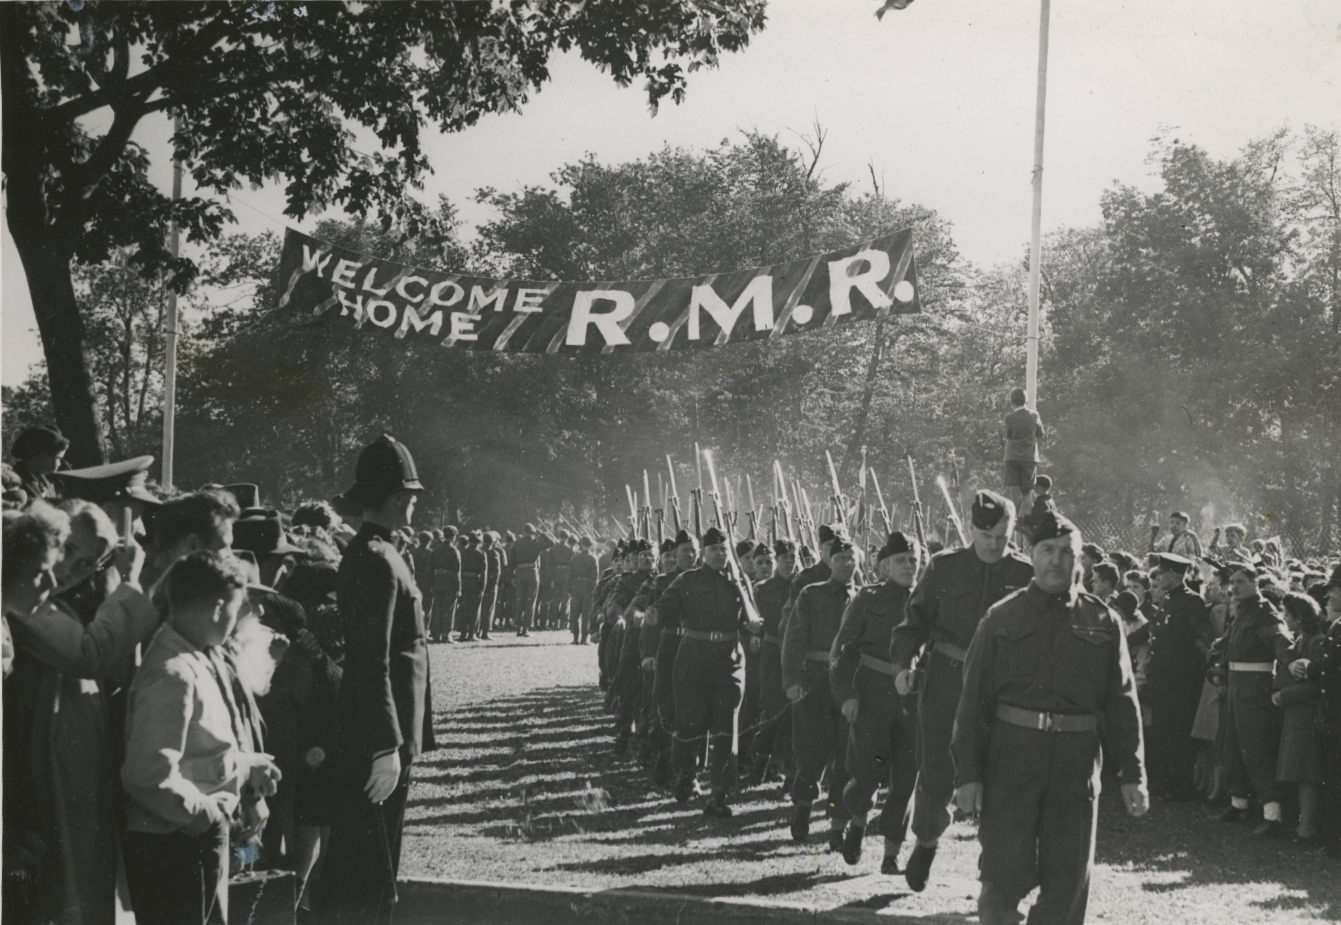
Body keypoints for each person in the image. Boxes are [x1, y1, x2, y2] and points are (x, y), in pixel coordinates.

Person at [952, 510, 1147, 925]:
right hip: (1012, 761)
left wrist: (1133, 774)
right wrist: (967, 773)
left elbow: (1122, 704)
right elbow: (973, 704)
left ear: (1081, 561)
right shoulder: (1001, 617)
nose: (1057, 560)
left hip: (1074, 766)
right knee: (1000, 880)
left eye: (1066, 552)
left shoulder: (1103, 621)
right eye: (1047, 550)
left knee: (1068, 882)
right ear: (1032, 554)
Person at [121, 552, 280, 925]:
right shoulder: (173, 673)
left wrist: (245, 765)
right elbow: (148, 774)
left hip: (188, 835)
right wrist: (206, 817)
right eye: (238, 606)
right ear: (218, 606)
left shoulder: (196, 657)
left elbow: (197, 750)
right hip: (177, 843)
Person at [891, 490, 1034, 892]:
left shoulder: (1025, 574)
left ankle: (996, 865)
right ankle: (927, 841)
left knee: (1000, 773)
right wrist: (903, 666)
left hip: (1000, 687)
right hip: (946, 680)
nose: (993, 544)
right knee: (937, 770)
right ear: (971, 528)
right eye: (986, 535)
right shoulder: (944, 567)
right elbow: (912, 624)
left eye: (1002, 537)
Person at [316, 434, 432, 924]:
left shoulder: (380, 552)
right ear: (387, 498)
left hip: (383, 734)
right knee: (369, 877)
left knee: (369, 872)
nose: (411, 503)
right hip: (376, 739)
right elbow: (371, 659)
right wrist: (386, 744)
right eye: (405, 495)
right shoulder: (376, 558)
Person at [651, 526, 762, 816]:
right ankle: (686, 775)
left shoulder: (739, 582)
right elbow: (664, 607)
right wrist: (651, 616)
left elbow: (748, 618)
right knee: (690, 722)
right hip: (694, 658)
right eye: (714, 550)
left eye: (725, 550)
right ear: (704, 553)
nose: (720, 555)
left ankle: (719, 794)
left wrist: (751, 630)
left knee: (727, 728)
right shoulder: (686, 580)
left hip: (729, 661)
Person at [832, 531, 921, 873]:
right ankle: (856, 823)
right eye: (901, 560)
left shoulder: (927, 602)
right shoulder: (868, 598)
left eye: (914, 560)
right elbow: (841, 651)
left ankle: (891, 854)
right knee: (866, 772)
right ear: (885, 565)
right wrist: (846, 696)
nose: (909, 566)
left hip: (911, 698)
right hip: (872, 695)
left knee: (905, 778)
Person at [783, 536, 860, 849]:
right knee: (812, 752)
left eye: (851, 558)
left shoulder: (864, 598)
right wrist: (791, 680)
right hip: (815, 680)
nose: (846, 564)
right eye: (840, 558)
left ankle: (836, 826)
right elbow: (793, 639)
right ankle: (802, 806)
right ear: (830, 561)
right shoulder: (811, 594)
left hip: (851, 686)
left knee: (846, 757)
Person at [1213, 561, 1294, 837]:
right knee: (1232, 746)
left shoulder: (1264, 612)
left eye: (1240, 582)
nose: (1234, 586)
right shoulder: (1242, 610)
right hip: (1236, 687)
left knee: (1257, 750)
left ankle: (1273, 815)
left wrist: (1294, 662)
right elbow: (1230, 644)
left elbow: (1280, 642)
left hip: (1255, 690)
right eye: (1232, 582)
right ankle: (1240, 803)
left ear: (1255, 583)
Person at [1144, 553, 1215, 802]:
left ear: (1173, 575)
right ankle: (1161, 781)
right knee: (1162, 729)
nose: (1157, 576)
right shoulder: (1168, 598)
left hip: (1181, 677)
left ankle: (1179, 784)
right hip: (1163, 674)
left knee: (1179, 731)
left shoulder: (1191, 601)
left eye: (1161, 573)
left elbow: (1202, 631)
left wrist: (1213, 651)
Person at [642, 530, 698, 788]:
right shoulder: (662, 582)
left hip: (695, 647)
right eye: (684, 550)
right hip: (670, 645)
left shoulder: (703, 580)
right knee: (664, 703)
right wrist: (647, 654)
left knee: (692, 707)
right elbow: (651, 621)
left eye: (693, 550)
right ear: (674, 554)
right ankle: (663, 756)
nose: (689, 555)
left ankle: (687, 766)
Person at [1274, 592, 1326, 844]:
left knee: (1307, 773)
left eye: (1287, 614)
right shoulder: (1302, 638)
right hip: (1297, 715)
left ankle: (1307, 828)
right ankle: (1300, 824)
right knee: (1296, 770)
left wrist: (1284, 695)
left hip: (1307, 715)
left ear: (1299, 616)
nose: (1284, 618)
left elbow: (1316, 685)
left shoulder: (1316, 641)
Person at [1001, 388, 1044, 502]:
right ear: (1026, 401)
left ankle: (1014, 516)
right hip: (1029, 457)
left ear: (1012, 402)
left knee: (1014, 489)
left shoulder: (1009, 417)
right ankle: (1022, 517)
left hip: (1012, 456)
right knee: (1028, 489)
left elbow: (1008, 435)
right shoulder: (1034, 415)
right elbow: (1040, 434)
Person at [8, 426, 70, 502]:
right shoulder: (16, 484)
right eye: (59, 458)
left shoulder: (42, 481)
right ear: (42, 458)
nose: (60, 463)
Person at [510, 524, 544, 636]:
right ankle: (526, 628)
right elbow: (551, 543)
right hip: (532, 573)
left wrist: (512, 576)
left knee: (520, 600)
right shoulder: (536, 543)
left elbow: (511, 562)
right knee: (530, 601)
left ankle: (518, 627)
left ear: (523, 531)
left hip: (520, 572)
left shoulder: (517, 543)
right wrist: (542, 533)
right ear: (533, 532)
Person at [429, 526, 461, 643]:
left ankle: (436, 634)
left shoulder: (435, 549)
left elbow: (430, 568)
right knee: (448, 610)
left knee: (437, 608)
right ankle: (446, 635)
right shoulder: (454, 551)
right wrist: (458, 588)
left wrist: (431, 584)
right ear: (453, 537)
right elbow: (456, 571)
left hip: (437, 580)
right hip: (450, 582)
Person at [456, 532, 486, 642]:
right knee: (474, 609)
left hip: (463, 582)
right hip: (475, 583)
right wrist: (482, 587)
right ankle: (472, 633)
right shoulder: (481, 553)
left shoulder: (462, 552)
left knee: (463, 608)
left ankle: (463, 633)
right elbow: (484, 572)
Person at [570, 535, 600, 645]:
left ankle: (575, 638)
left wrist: (569, 588)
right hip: (588, 587)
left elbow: (570, 574)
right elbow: (595, 576)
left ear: (581, 545)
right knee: (586, 614)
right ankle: (583, 638)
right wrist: (593, 589)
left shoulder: (575, 557)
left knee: (575, 613)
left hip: (576, 586)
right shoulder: (593, 558)